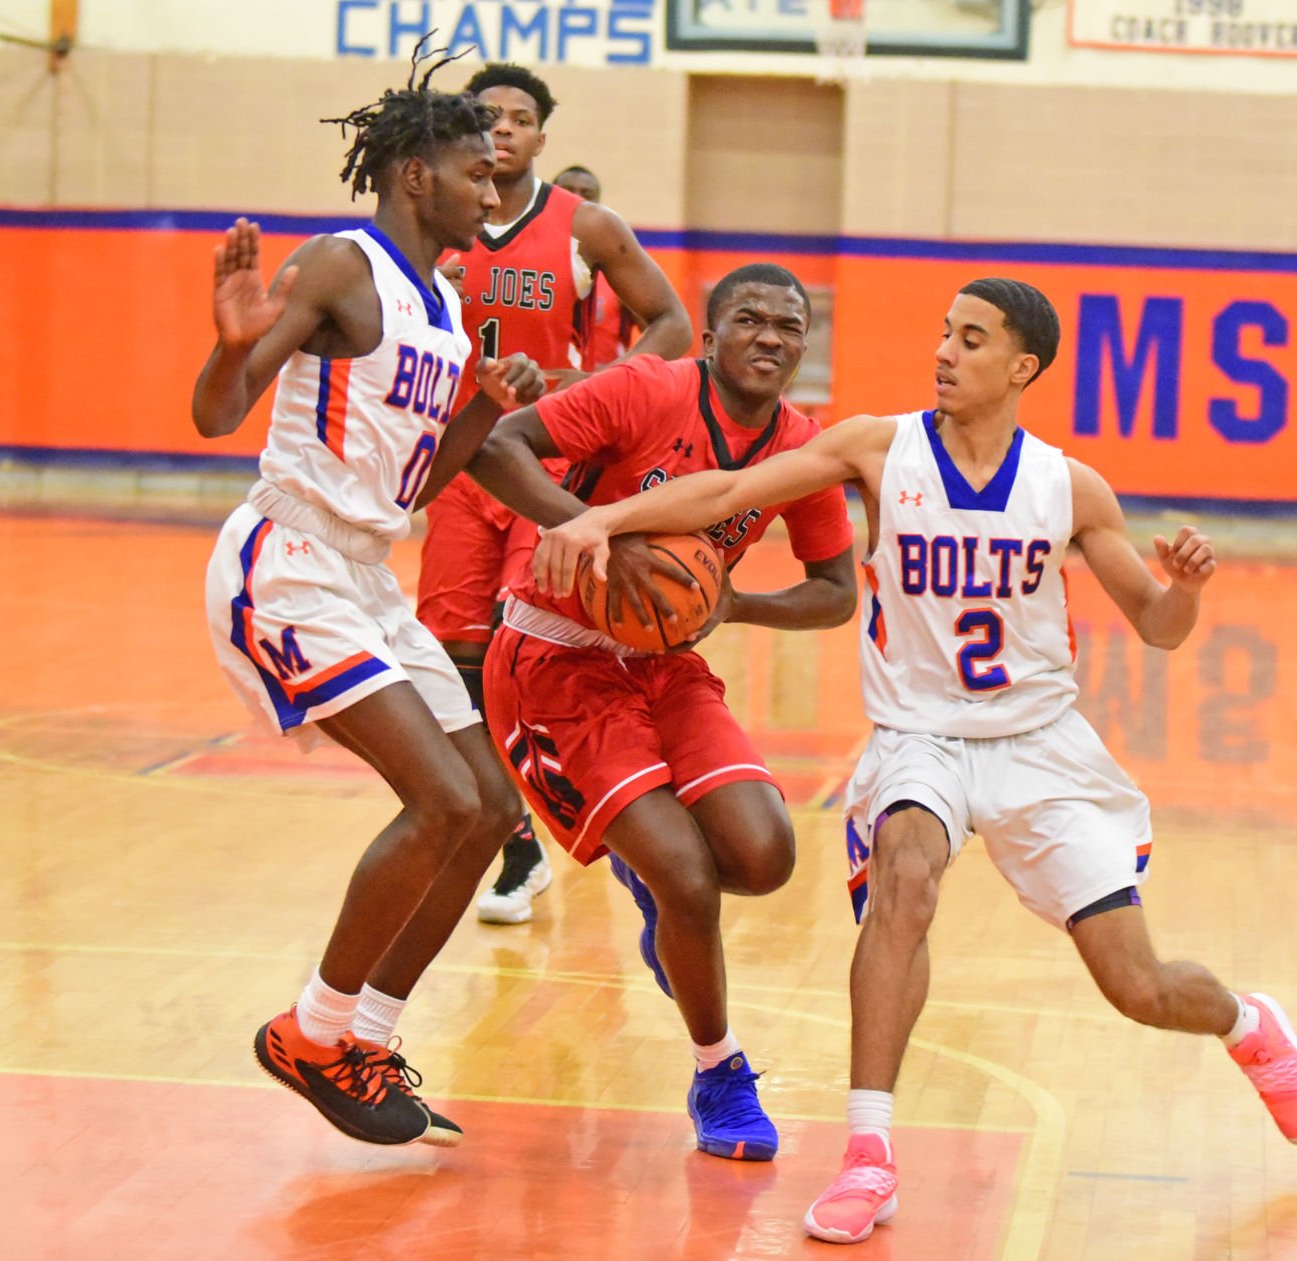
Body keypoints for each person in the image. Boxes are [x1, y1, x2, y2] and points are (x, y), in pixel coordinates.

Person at [532, 278, 1297, 1242]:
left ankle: (1247, 1024)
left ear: (1022, 367)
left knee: (1140, 985)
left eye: (972, 340)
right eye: (944, 334)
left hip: (1038, 747)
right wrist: (604, 520)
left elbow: (1158, 627)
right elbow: (735, 492)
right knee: (905, 878)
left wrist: (1187, 588)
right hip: (919, 736)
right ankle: (869, 1156)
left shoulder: (1070, 488)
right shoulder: (878, 446)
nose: (945, 353)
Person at [193, 46, 544, 1149]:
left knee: (488, 809)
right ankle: (310, 1029)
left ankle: (363, 1036)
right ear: (412, 177)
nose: (491, 193)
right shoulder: (340, 266)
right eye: (473, 173)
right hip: (289, 561)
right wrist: (229, 345)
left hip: (366, 569)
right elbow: (216, 415)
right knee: (441, 799)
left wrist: (481, 416)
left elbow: (412, 488)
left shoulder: (443, 303)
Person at [466, 262, 859, 1161]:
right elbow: (499, 446)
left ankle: (655, 887)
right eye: (750, 319)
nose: (771, 336)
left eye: (790, 325)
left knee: (763, 858)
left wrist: (737, 605)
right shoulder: (647, 388)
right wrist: (589, 529)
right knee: (687, 877)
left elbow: (836, 590)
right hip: (554, 662)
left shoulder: (801, 448)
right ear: (711, 337)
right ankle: (718, 1072)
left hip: (667, 662)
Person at [417, 64, 692, 928]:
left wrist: (590, 385)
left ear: (542, 137)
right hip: (462, 463)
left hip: (542, 466)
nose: (502, 127)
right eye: (486, 115)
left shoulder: (586, 228)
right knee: (453, 656)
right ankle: (517, 847)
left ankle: (583, 821)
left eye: (520, 117)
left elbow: (674, 324)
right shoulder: (434, 221)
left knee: (525, 653)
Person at [552, 164, 645, 371]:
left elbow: (662, 327)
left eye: (587, 194)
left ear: (599, 203)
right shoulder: (533, 257)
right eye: (567, 191)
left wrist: (615, 371)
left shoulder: (616, 266)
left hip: (603, 391)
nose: (577, 199)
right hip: (545, 386)